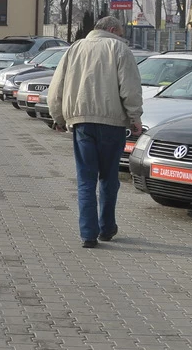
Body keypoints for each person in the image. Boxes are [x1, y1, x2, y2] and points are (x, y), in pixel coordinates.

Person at [47, 16, 143, 248]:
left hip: (81, 123)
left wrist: (58, 116)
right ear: (112, 30)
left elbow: (56, 86)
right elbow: (129, 88)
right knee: (109, 178)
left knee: (86, 179)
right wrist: (135, 116)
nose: (121, 36)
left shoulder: (74, 49)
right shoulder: (119, 48)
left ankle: (88, 234)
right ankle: (106, 228)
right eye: (120, 32)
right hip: (112, 123)